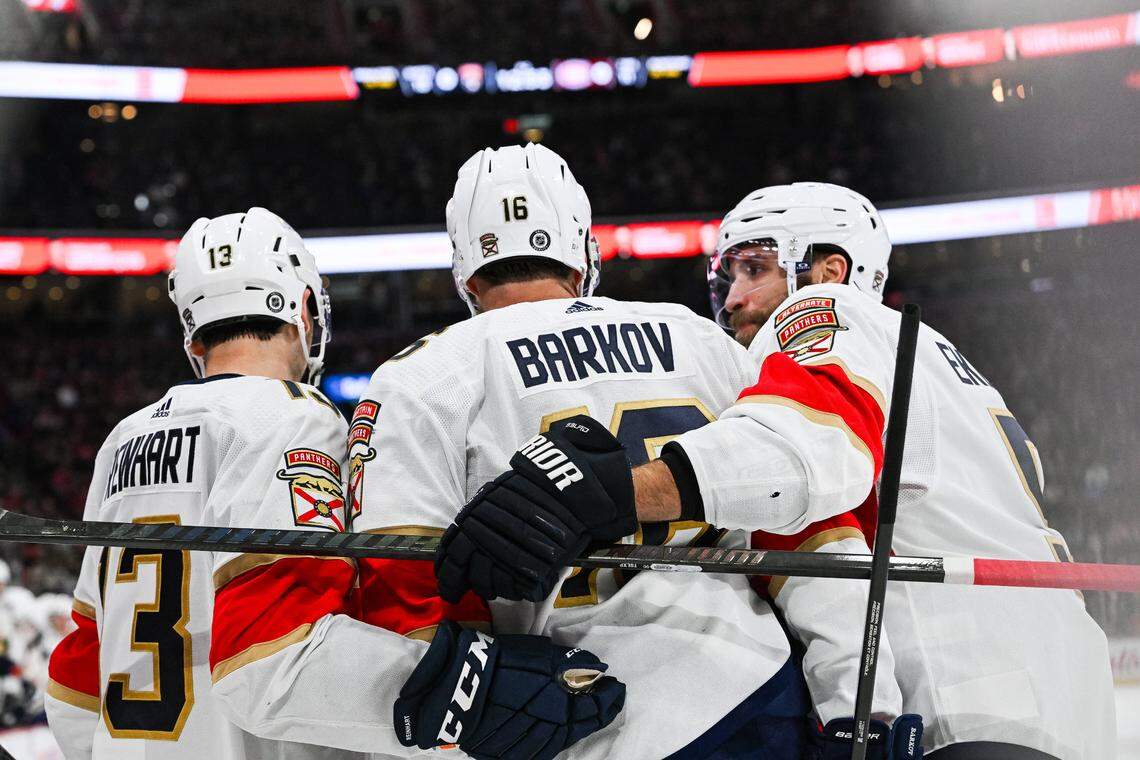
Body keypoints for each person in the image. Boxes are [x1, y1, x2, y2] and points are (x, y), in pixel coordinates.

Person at [440, 182, 1116, 759]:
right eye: (726, 277)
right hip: (1064, 681)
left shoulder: (829, 311)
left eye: (753, 268)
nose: (731, 299)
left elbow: (802, 451)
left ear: (828, 269)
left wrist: (610, 492)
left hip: (970, 684)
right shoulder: (942, 356)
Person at [45, 207, 620, 760]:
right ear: (303, 308)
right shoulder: (294, 417)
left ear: (195, 338)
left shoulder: (124, 438)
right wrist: (472, 693)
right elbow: (275, 655)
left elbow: (76, 677)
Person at [349, 143, 819, 760]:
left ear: (464, 266)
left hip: (565, 713)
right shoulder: (698, 336)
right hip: (748, 685)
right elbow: (796, 507)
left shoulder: (421, 375)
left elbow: (398, 584)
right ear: (582, 250)